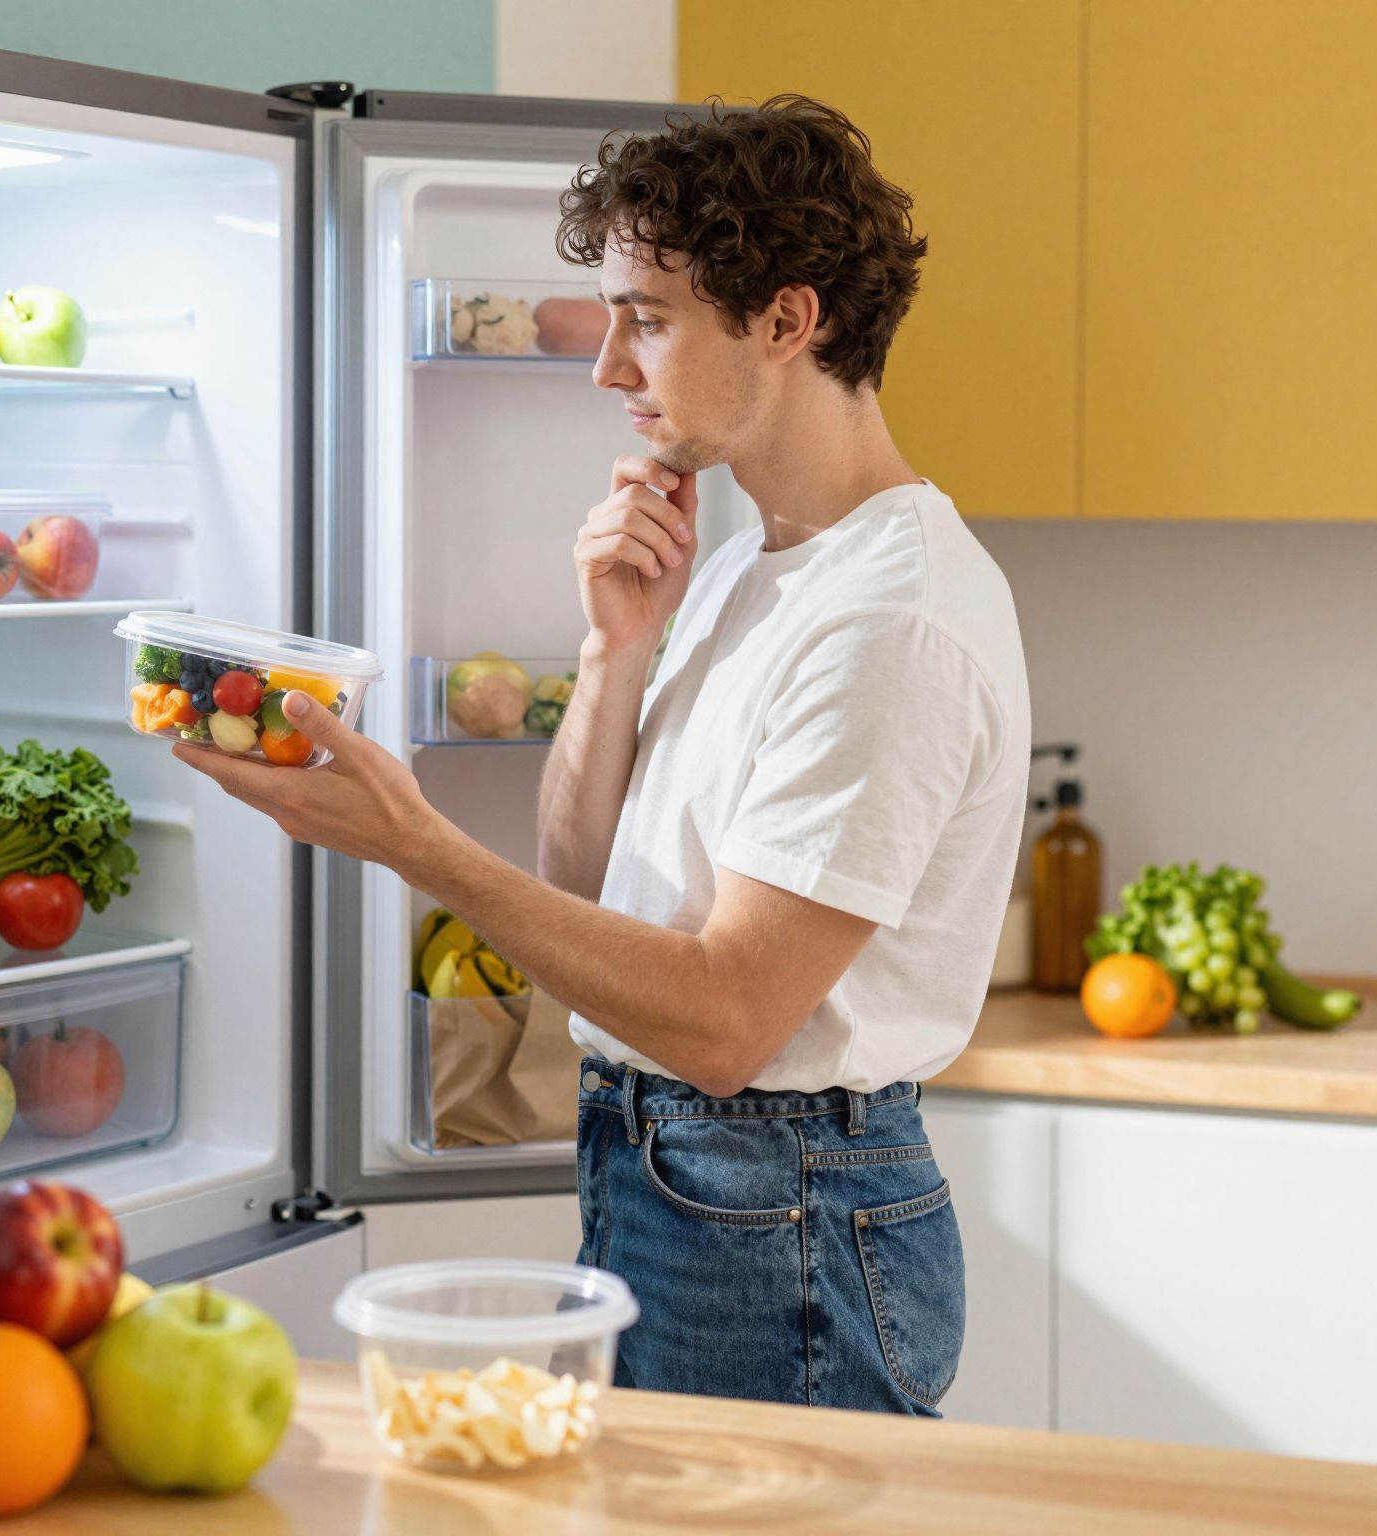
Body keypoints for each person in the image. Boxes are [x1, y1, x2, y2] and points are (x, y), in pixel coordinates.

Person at [176, 95, 1030, 1416]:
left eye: (649, 316)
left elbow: (732, 1020)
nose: (609, 366)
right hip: (675, 1183)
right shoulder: (760, 560)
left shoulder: (892, 617)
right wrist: (617, 652)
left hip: (780, 1207)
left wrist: (417, 845)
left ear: (788, 321)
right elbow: (583, 881)